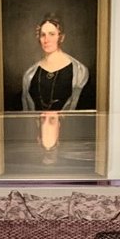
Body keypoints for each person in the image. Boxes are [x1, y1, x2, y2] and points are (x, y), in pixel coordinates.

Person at [20, 14, 89, 161]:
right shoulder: (30, 74)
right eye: (43, 35)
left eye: (52, 34)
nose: (46, 39)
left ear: (61, 37)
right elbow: (27, 115)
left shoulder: (79, 72)